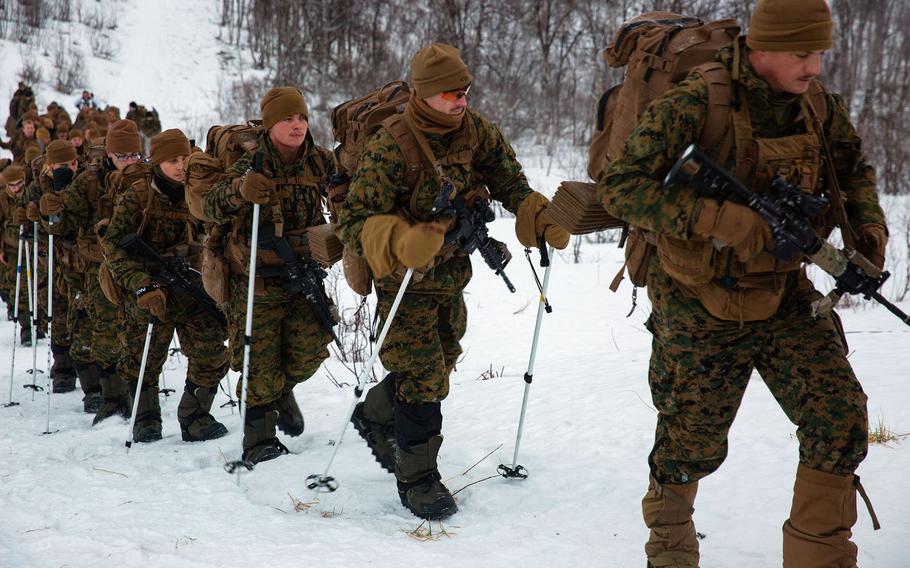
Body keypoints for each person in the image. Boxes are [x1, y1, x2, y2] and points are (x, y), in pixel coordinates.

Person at [597, 1, 886, 566]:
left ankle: (820, 556)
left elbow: (853, 171)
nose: (815, 67)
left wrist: (867, 231)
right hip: (698, 299)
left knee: (840, 418)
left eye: (820, 53)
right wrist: (720, 220)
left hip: (783, 292)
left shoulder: (817, 106)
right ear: (762, 48)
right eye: (802, 54)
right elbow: (622, 187)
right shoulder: (696, 101)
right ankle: (671, 547)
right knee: (691, 444)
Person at [336, 43, 569, 520]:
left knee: (438, 363)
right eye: (450, 94)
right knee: (424, 378)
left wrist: (534, 212)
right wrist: (401, 238)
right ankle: (418, 478)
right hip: (404, 277)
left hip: (452, 271)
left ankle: (376, 414)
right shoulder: (392, 144)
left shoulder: (475, 129)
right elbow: (353, 220)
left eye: (464, 91)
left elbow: (510, 179)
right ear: (423, 94)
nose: (460, 101)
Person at [204, 87, 335, 464]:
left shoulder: (317, 160)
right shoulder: (251, 161)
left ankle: (281, 390)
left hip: (303, 273)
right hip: (255, 278)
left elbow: (343, 187)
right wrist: (241, 190)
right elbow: (211, 206)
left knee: (311, 348)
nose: (297, 126)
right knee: (258, 361)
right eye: (287, 119)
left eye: (302, 118)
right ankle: (258, 442)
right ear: (271, 123)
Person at [102, 129, 230, 443]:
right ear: (158, 162)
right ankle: (145, 419)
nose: (181, 165)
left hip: (189, 285)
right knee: (143, 359)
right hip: (150, 289)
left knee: (212, 349)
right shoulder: (139, 196)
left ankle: (195, 416)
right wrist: (141, 285)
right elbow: (114, 247)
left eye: (185, 157)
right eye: (172, 160)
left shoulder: (197, 192)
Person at [43, 119, 145, 427]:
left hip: (137, 265)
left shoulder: (145, 179)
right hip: (98, 267)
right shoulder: (89, 181)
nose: (129, 162)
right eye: (123, 156)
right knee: (105, 332)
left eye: (135, 156)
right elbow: (64, 223)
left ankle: (136, 394)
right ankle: (111, 398)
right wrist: (53, 207)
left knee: (136, 331)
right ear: (110, 154)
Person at [23, 140, 84, 399]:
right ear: (49, 165)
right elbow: (24, 220)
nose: (68, 168)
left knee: (81, 313)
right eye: (61, 165)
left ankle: (89, 374)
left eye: (72, 163)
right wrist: (32, 216)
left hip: (80, 258)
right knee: (57, 312)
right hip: (52, 258)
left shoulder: (82, 183)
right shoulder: (38, 187)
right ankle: (63, 370)